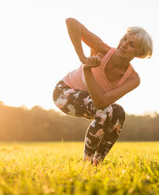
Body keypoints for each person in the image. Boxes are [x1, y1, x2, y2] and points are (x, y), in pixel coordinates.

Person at [53, 18, 153, 165]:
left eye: (131, 44)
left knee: (118, 112)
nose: (124, 44)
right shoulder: (101, 49)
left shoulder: (133, 79)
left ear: (139, 53)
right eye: (124, 39)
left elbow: (101, 102)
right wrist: (83, 58)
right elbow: (71, 22)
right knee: (106, 111)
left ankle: (97, 163)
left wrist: (88, 71)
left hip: (91, 100)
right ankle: (86, 163)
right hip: (64, 92)